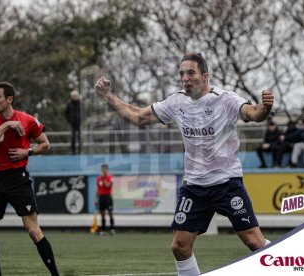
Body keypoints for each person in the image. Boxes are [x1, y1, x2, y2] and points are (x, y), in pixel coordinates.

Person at [94, 52, 273, 276]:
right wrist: (107, 96)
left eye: (191, 73)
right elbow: (138, 117)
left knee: (254, 243)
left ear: (205, 76)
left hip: (226, 183)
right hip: (195, 187)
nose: (185, 78)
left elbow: (253, 113)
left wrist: (264, 107)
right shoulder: (177, 101)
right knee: (180, 246)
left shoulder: (225, 99)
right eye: (181, 74)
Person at [0, 82, 60, 276]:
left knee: (33, 230)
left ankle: (55, 275)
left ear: (9, 99)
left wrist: (27, 152)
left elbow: (45, 144)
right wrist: (6, 125)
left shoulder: (27, 119)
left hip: (18, 178)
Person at [95, 164, 115, 235]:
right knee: (102, 214)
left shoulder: (110, 177)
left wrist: (104, 179)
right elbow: (98, 189)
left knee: (110, 213)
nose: (104, 171)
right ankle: (103, 230)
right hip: (101, 197)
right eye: (102, 169)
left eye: (105, 169)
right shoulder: (98, 178)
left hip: (108, 197)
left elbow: (107, 186)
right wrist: (96, 199)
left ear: (107, 170)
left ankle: (112, 229)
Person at [65, 90, 81, 154]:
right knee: (73, 138)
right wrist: (69, 120)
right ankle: (73, 152)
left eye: (76, 96)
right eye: (73, 96)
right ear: (71, 96)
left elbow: (84, 112)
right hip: (72, 123)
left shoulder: (81, 103)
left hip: (79, 123)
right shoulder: (69, 104)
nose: (75, 97)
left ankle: (80, 151)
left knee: (80, 137)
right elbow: (66, 113)